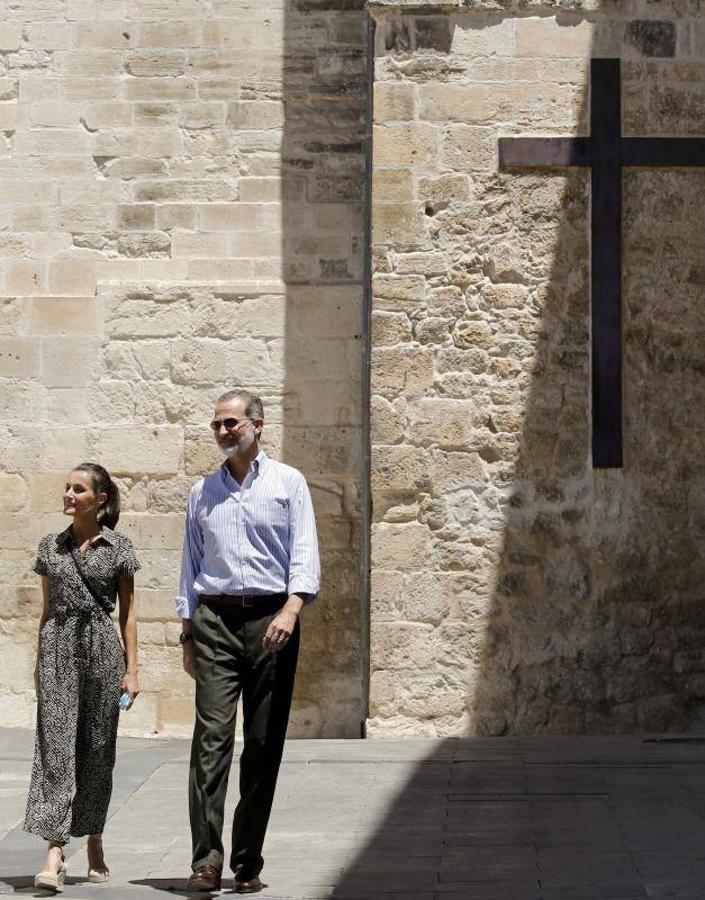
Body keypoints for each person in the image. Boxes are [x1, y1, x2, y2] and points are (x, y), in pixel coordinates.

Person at [178, 389, 320, 894]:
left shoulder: (288, 484)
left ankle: (247, 862)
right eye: (217, 424)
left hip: (272, 623)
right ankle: (206, 861)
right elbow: (190, 565)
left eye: (232, 423)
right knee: (210, 744)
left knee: (262, 744)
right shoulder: (202, 493)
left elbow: (304, 553)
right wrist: (188, 633)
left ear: (259, 425)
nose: (223, 432)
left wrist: (292, 609)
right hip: (215, 621)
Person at [24, 462, 140, 893]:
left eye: (78, 489)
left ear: (101, 499)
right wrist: (39, 661)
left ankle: (93, 837)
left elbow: (127, 614)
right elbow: (45, 609)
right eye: (66, 487)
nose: (69, 495)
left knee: (95, 749)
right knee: (54, 750)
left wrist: (133, 669)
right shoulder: (50, 546)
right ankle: (54, 853)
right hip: (57, 650)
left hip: (102, 652)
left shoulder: (119, 547)